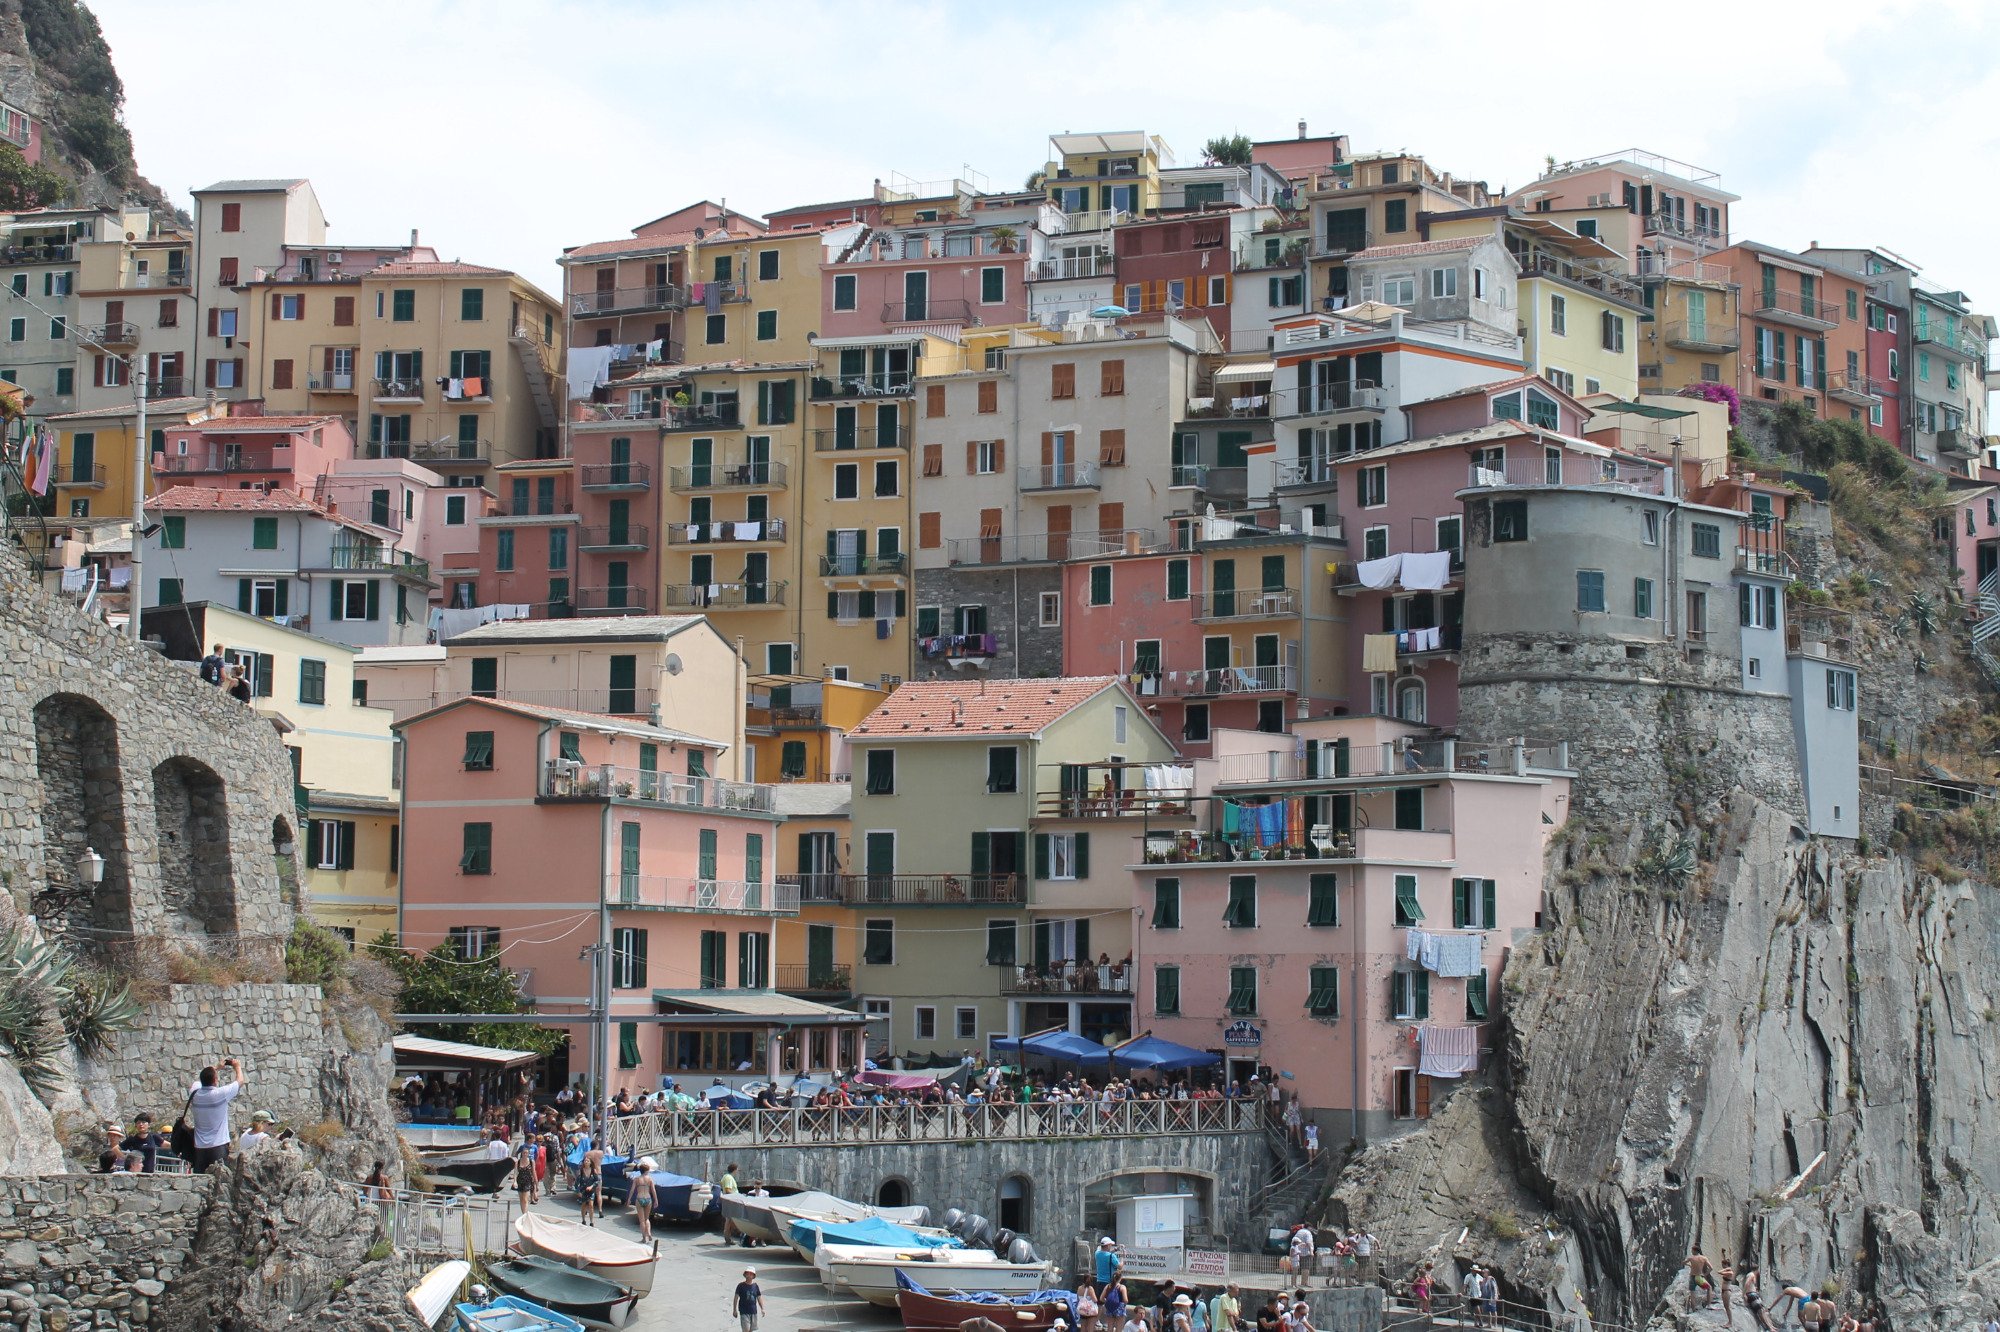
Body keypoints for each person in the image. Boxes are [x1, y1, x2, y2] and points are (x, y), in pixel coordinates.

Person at [187, 1057, 246, 1172]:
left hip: (200, 1148)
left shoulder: (194, 1094)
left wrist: (216, 1068)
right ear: (215, 1080)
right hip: (218, 1146)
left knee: (200, 1180)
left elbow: (198, 1081)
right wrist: (237, 1066)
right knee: (220, 1181)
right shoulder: (220, 1094)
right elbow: (240, 1081)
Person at [628, 1156, 658, 1242]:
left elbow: (632, 1190)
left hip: (639, 1198)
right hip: (648, 1198)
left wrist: (629, 1199)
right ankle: (649, 1233)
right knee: (647, 1219)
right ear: (647, 1171)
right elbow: (653, 1191)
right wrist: (656, 1200)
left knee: (641, 1220)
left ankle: (644, 1237)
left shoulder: (637, 1179)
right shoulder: (650, 1179)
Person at [577, 1143, 604, 1225]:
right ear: (597, 1145)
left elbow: (582, 1161)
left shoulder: (587, 1154)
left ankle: (586, 1212)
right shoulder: (600, 1153)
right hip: (598, 1172)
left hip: (590, 1174)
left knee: (587, 1196)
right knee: (599, 1193)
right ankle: (600, 1210)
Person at [732, 1266, 765, 1332]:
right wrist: (734, 1310)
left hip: (753, 1312)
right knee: (746, 1330)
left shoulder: (755, 1286)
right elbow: (736, 1298)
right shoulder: (740, 1285)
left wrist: (762, 1308)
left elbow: (759, 1297)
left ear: (753, 1276)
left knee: (751, 1330)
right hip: (744, 1311)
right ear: (745, 1274)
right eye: (748, 1273)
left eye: (751, 1273)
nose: (749, 1275)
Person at [1742, 1268, 1774, 1332]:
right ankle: (1770, 1328)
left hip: (1753, 1294)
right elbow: (1747, 1283)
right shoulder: (1751, 1275)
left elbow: (1749, 1284)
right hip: (1752, 1295)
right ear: (1757, 1270)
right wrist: (1744, 1294)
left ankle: (1771, 1326)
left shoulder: (1750, 1274)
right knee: (1761, 1312)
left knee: (1762, 1311)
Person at [362, 1161, 393, 1226]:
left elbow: (364, 1191)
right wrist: (393, 1199)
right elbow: (389, 1190)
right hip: (381, 1201)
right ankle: (382, 1233)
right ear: (382, 1168)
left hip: (370, 1200)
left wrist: (367, 1195)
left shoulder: (369, 1177)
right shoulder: (384, 1178)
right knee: (383, 1219)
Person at [720, 1161, 742, 1245]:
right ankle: (728, 1238)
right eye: (737, 1169)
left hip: (729, 1201)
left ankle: (728, 1237)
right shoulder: (729, 1178)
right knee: (729, 1220)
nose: (738, 1171)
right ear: (735, 1170)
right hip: (731, 1201)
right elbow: (728, 1190)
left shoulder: (725, 1177)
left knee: (729, 1220)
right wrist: (737, 1196)